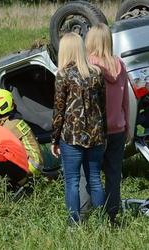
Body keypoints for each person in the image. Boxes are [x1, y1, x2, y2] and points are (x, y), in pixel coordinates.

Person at [51, 32, 106, 224]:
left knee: (72, 182)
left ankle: (74, 223)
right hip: (96, 136)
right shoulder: (97, 73)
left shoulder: (63, 75)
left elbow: (59, 110)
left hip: (71, 137)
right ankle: (102, 222)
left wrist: (54, 139)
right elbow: (103, 108)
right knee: (95, 180)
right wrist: (103, 133)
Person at [85, 23, 130, 223]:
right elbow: (125, 100)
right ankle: (111, 216)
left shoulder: (88, 64)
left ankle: (90, 213)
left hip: (95, 131)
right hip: (118, 129)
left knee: (89, 175)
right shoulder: (119, 64)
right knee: (113, 175)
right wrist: (127, 124)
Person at [0, 89, 43, 175]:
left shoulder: (10, 125)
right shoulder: (13, 120)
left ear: (1, 107)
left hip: (32, 165)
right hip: (34, 162)